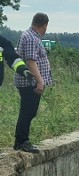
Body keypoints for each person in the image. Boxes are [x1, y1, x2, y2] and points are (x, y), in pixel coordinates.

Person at [14, 12, 53, 154]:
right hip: (29, 83)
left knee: (29, 111)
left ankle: (20, 141)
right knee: (28, 111)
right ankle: (22, 141)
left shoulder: (29, 36)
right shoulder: (31, 38)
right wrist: (40, 81)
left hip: (29, 82)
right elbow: (31, 61)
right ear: (44, 25)